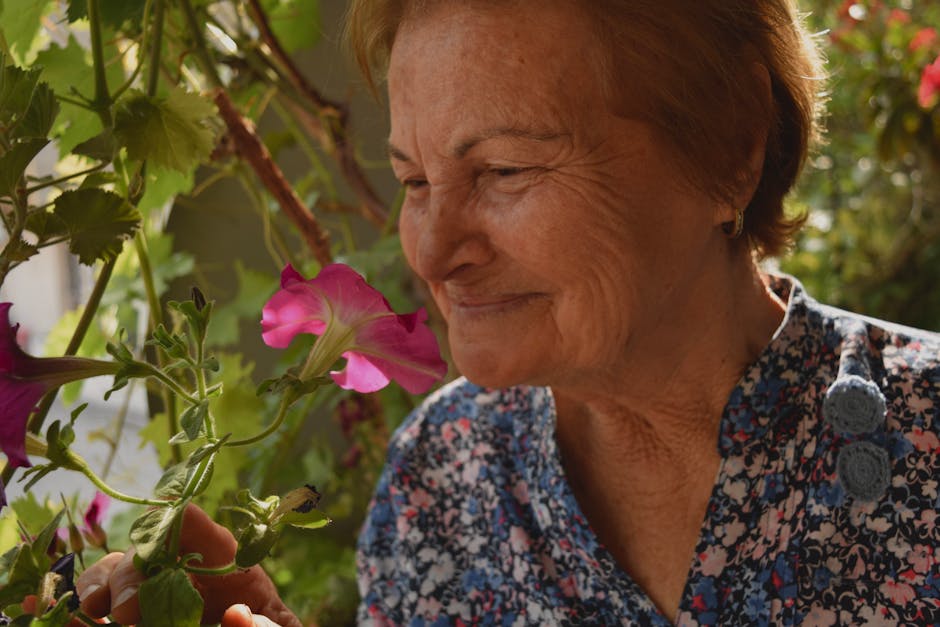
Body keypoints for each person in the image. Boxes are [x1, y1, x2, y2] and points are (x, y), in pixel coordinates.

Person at [76, 0, 940, 624]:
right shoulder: (443, 476)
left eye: (504, 170)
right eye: (415, 181)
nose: (434, 248)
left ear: (729, 146)